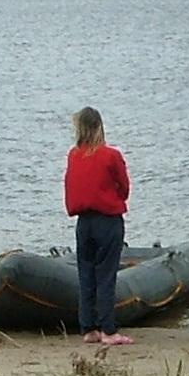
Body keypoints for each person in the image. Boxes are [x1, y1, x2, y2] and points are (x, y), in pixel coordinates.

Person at [64, 106, 133, 346]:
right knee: (106, 275)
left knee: (87, 275)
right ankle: (108, 329)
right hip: (107, 221)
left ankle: (88, 327)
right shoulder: (110, 155)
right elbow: (124, 187)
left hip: (84, 223)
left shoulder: (74, 155)